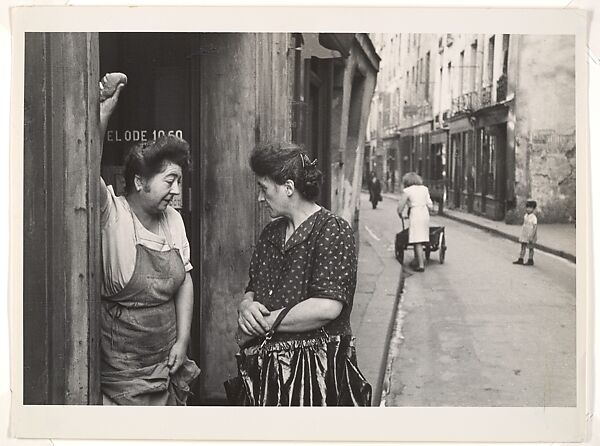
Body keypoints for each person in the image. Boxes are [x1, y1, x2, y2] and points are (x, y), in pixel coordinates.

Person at [233, 142, 371, 406]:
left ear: (288, 187)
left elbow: (327, 307)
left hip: (316, 374)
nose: (260, 198)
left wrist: (263, 324)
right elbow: (254, 287)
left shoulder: (333, 230)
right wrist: (246, 305)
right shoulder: (271, 233)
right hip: (268, 372)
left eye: (264, 189)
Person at [98, 73, 200, 405]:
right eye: (170, 180)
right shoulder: (113, 214)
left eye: (179, 181)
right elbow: (83, 170)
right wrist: (102, 116)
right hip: (123, 375)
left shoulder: (173, 220)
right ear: (140, 181)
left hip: (168, 364)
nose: (176, 191)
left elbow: (184, 279)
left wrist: (183, 340)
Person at [396, 172, 433, 272]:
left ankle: (421, 265)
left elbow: (401, 206)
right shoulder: (424, 189)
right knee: (421, 237)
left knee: (417, 240)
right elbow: (430, 205)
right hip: (424, 214)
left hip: (415, 214)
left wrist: (400, 214)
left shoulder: (407, 191)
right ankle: (417, 260)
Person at [513, 199, 538, 266]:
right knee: (523, 246)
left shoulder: (534, 217)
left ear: (533, 209)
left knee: (530, 247)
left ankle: (530, 260)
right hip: (525, 233)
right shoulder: (525, 216)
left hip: (531, 234)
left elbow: (535, 227)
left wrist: (532, 236)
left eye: (530, 208)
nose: (528, 209)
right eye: (527, 207)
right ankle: (521, 258)